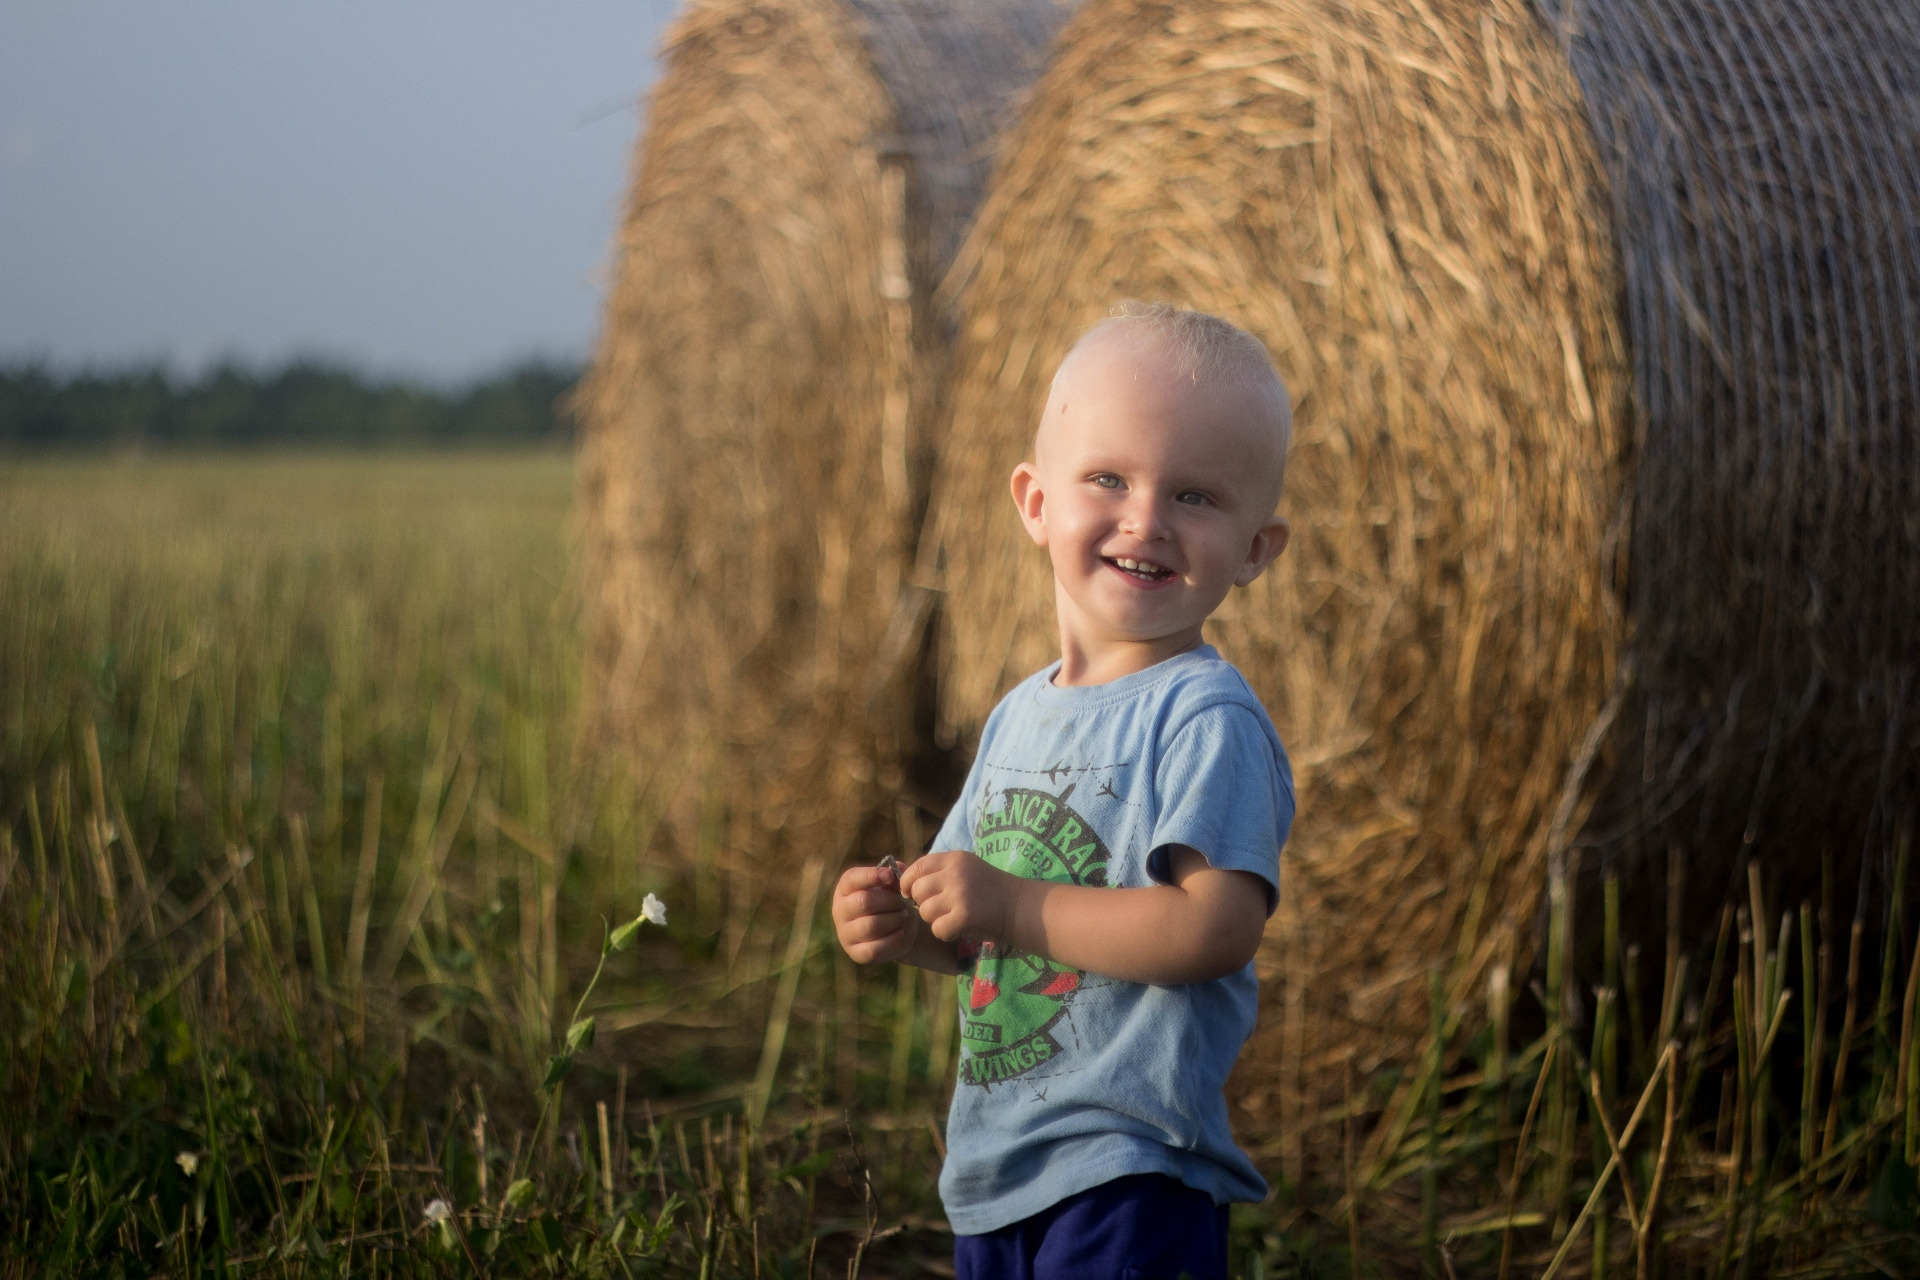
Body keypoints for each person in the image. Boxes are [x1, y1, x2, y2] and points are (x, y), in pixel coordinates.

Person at [832, 301, 1296, 1280]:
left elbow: (1215, 928)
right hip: (997, 1162)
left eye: (1197, 496)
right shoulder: (1019, 715)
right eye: (1109, 478)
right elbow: (977, 931)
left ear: (1256, 549)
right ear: (1037, 502)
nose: (1147, 520)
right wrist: (907, 924)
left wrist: (1015, 903)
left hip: (1130, 1170)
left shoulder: (1204, 718)